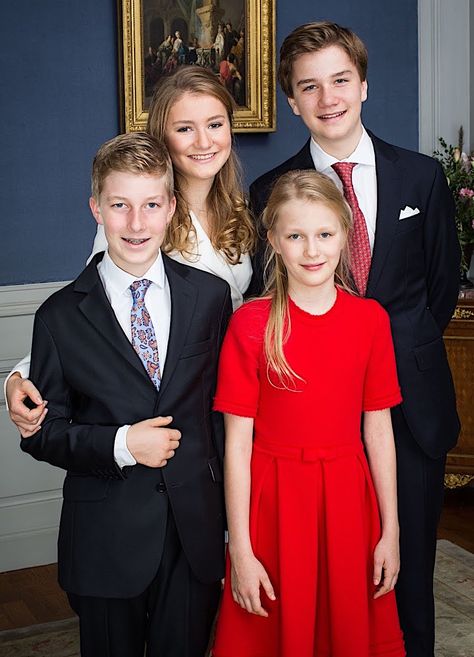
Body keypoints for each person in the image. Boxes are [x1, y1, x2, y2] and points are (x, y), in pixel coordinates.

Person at [248, 22, 460, 657]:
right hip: (318, 423)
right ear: (291, 101)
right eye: (309, 87)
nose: (328, 97)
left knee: (408, 573)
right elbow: (273, 304)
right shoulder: (270, 194)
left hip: (408, 412)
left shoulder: (420, 178)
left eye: (340, 80)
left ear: (363, 85)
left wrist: (385, 356)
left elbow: (441, 288)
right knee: (329, 578)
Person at [19, 132, 233, 657]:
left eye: (150, 205)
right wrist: (120, 445)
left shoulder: (209, 297)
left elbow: (224, 418)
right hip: (105, 536)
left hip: (194, 533)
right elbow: (42, 432)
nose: (136, 223)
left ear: (171, 209)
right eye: (120, 206)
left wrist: (234, 523)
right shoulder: (59, 316)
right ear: (96, 208)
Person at [212, 169, 406, 657]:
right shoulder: (251, 324)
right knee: (277, 630)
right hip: (274, 505)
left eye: (324, 234)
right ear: (274, 241)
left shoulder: (370, 321)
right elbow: (237, 444)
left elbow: (378, 430)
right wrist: (241, 548)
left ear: (346, 234)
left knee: (345, 629)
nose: (312, 250)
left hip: (348, 499)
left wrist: (391, 530)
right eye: (296, 236)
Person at [6, 66, 255, 436]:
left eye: (215, 125)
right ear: (162, 137)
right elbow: (93, 315)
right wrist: (19, 375)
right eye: (185, 128)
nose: (204, 142)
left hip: (236, 396)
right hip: (176, 411)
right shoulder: (137, 222)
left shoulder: (238, 207)